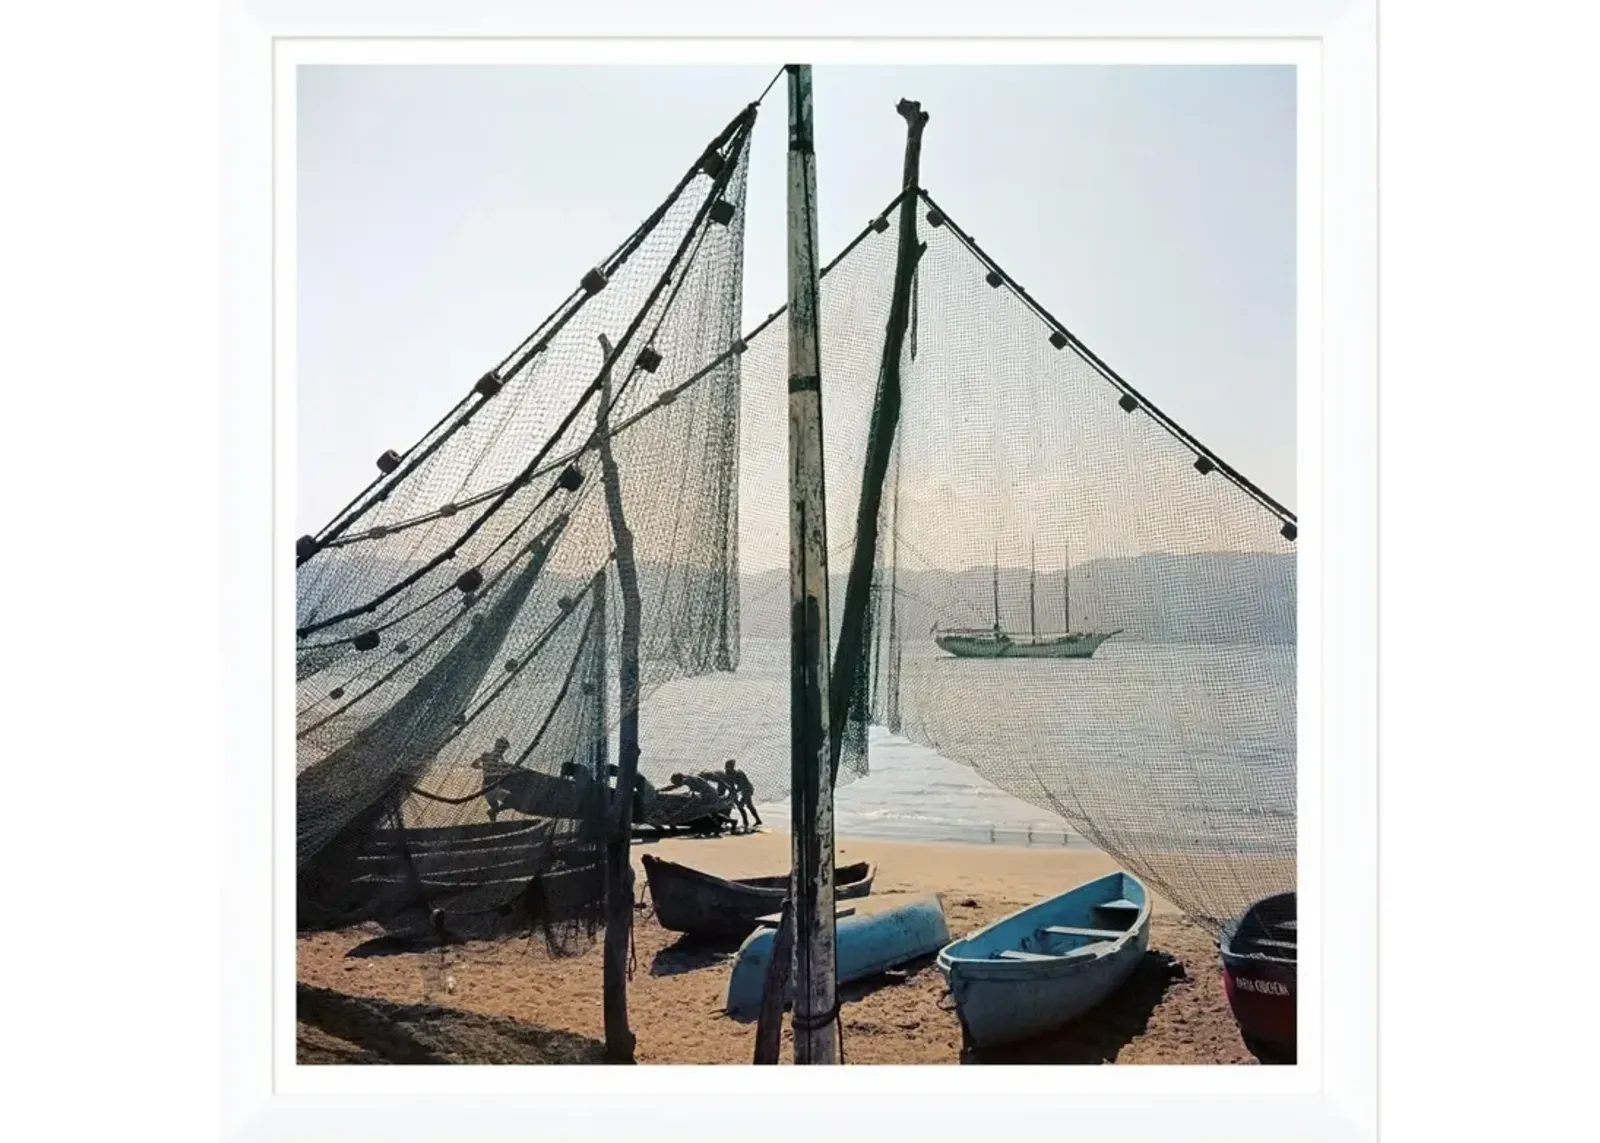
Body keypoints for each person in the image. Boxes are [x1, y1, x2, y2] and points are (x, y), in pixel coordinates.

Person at [471, 737, 514, 821]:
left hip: (487, 788)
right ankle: (492, 814)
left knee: (495, 809)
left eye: (504, 748)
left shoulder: (488, 756)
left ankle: (493, 821)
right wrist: (486, 767)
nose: (504, 750)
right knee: (512, 801)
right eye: (503, 748)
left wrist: (483, 767)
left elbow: (473, 764)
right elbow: (474, 764)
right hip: (492, 788)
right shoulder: (495, 757)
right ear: (498, 747)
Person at [723, 758, 761, 832]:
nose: (727, 769)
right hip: (741, 790)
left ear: (732, 767)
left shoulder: (739, 773)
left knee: (744, 805)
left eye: (728, 767)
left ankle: (746, 822)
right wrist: (732, 794)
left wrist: (735, 792)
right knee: (744, 805)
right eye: (726, 767)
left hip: (747, 789)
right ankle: (756, 821)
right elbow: (731, 785)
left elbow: (743, 785)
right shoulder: (728, 773)